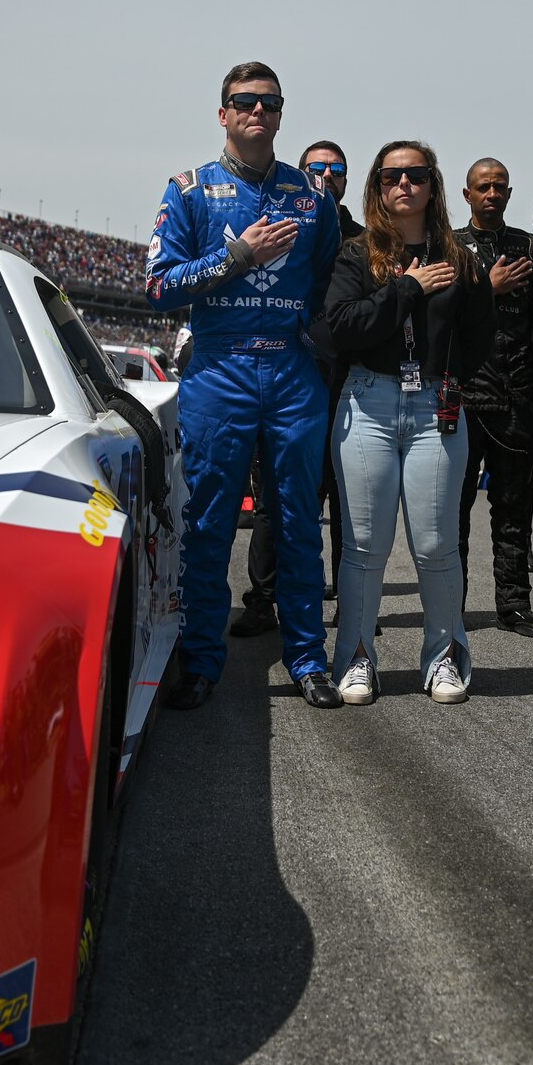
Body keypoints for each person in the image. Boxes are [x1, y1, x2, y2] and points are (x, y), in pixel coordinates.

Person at [144, 62, 342, 710]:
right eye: (244, 101)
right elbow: (158, 287)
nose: (258, 111)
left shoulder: (312, 195)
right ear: (223, 113)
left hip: (289, 369)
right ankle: (202, 660)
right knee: (208, 524)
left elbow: (325, 283)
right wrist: (238, 256)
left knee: (298, 525)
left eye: (270, 102)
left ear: (282, 114)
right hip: (220, 369)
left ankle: (308, 658)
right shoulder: (189, 190)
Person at [323, 141, 496, 704]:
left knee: (437, 543)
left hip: (435, 410)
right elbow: (342, 328)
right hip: (368, 402)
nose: (404, 185)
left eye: (415, 175)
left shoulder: (461, 258)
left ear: (432, 185)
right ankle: (355, 657)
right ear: (377, 185)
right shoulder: (356, 254)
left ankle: (444, 656)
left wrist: (447, 379)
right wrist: (407, 288)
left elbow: (479, 336)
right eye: (392, 175)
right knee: (365, 545)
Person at [229, 139, 361, 638]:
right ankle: (262, 600)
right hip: (285, 380)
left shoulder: (366, 239)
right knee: (272, 502)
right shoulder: (279, 223)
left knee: (345, 504)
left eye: (337, 168)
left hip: (344, 387)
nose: (327, 175)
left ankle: (350, 603)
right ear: (300, 175)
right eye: (316, 168)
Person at [455, 158, 533, 638]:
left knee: (513, 507)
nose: (491, 194)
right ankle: (449, 604)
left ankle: (514, 605)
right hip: (462, 396)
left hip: (517, 397)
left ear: (509, 193)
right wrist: (483, 287)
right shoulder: (448, 247)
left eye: (499, 187)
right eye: (483, 187)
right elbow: (438, 316)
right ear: (467, 194)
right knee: (452, 510)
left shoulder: (531, 250)